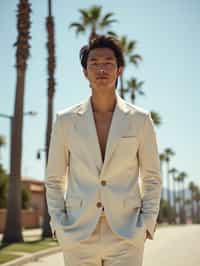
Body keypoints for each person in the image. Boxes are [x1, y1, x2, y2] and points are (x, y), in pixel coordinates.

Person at [45, 35, 162, 266]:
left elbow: (152, 177)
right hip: (78, 234)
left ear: (119, 70)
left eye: (108, 62)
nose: (101, 69)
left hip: (126, 234)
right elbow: (54, 178)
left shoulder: (140, 120)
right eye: (94, 63)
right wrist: (59, 224)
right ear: (85, 72)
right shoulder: (65, 121)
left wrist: (147, 222)